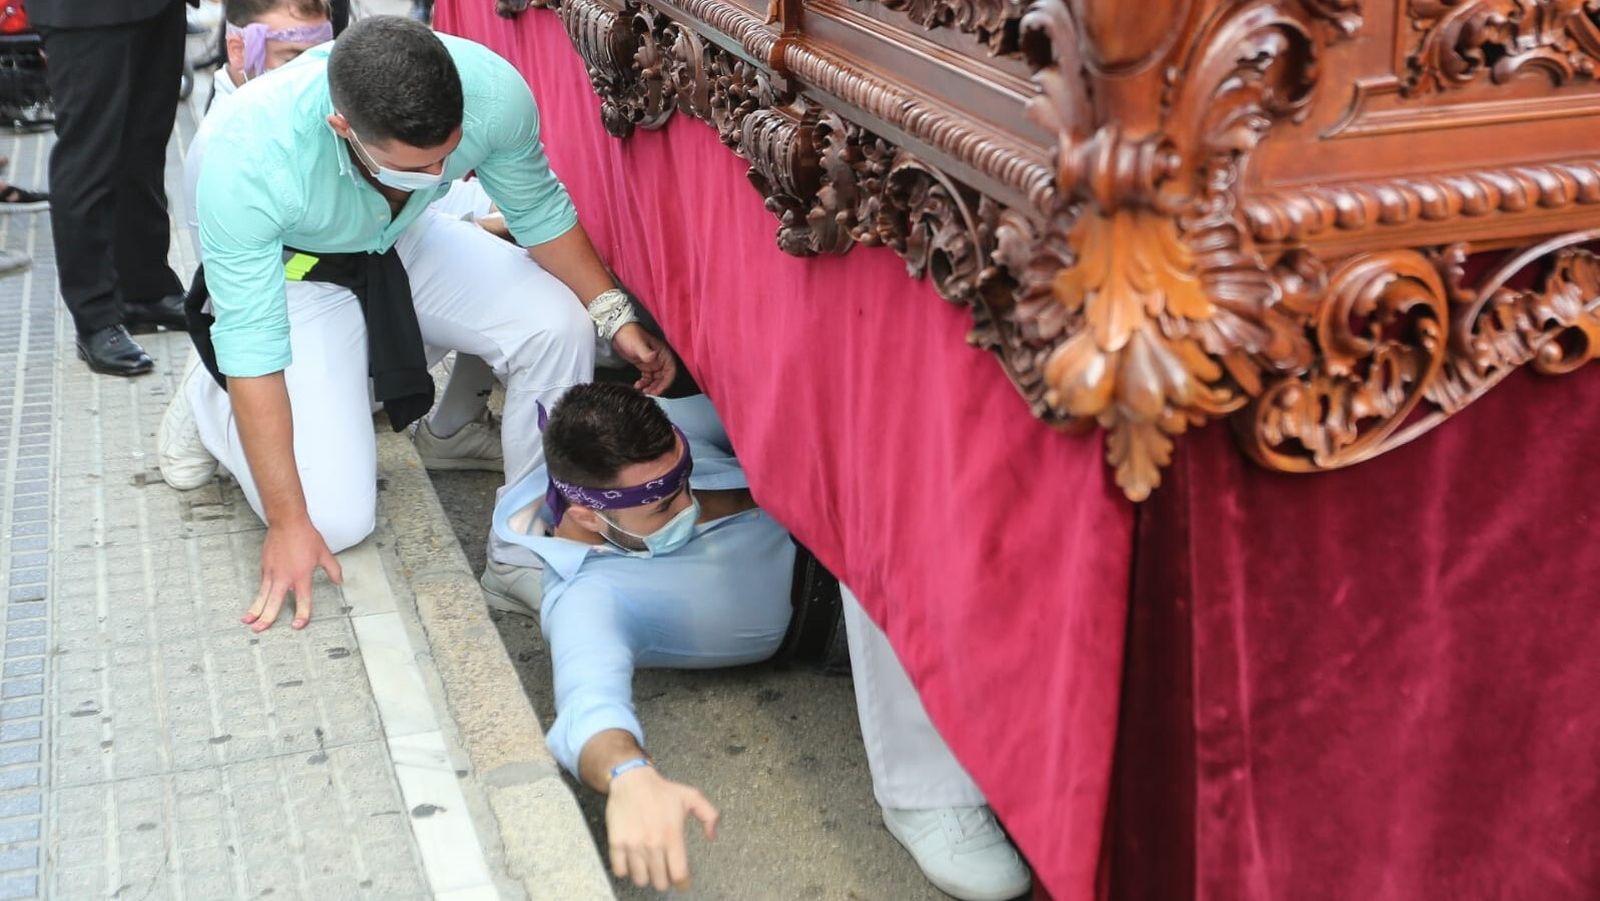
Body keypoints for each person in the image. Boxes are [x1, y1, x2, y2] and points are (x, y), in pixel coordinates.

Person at [157, 16, 675, 633]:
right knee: (335, 521)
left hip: (402, 236)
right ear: (343, 128)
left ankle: (521, 550)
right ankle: (209, 392)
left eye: (446, 158)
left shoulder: (490, 89)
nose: (436, 178)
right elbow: (256, 352)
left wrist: (612, 314)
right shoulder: (245, 155)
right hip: (296, 273)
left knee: (557, 324)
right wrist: (288, 523)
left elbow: (537, 208)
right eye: (415, 167)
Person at [492, 384, 1033, 901]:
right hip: (848, 606)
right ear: (587, 517)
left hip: (850, 499)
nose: (688, 505)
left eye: (685, 482)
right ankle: (925, 792)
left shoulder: (637, 442)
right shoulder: (587, 598)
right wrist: (629, 777)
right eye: (663, 508)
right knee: (888, 529)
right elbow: (588, 709)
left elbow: (755, 398)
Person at [30, 0, 189, 377]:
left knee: (145, 147)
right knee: (88, 153)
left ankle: (146, 289)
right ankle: (96, 316)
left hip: (158, 7)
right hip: (85, 11)